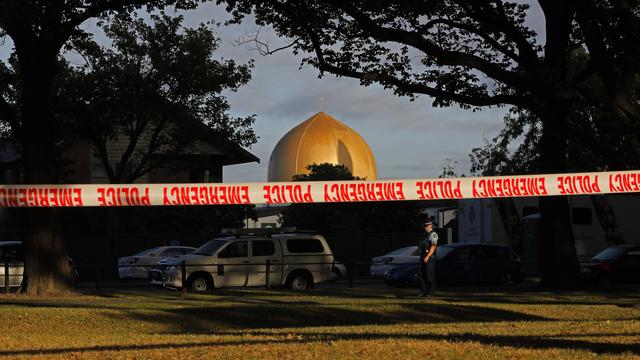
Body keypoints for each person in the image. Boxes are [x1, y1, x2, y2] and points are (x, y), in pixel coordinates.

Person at [418, 219, 438, 297]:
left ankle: (430, 292)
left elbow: (433, 246)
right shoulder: (425, 234)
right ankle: (424, 291)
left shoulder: (433, 234)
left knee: (429, 274)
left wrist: (427, 256)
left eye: (426, 226)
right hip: (423, 256)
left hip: (429, 257)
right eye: (424, 226)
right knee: (421, 274)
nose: (425, 227)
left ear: (430, 225)